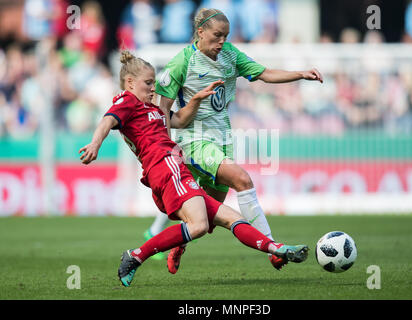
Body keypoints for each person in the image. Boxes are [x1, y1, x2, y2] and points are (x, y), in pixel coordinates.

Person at [78, 50, 309, 287]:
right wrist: (95, 143)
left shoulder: (153, 110)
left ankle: (277, 248)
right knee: (198, 225)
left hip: (173, 169)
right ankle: (136, 255)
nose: (152, 89)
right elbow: (108, 120)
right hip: (164, 166)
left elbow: (178, 121)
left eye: (154, 83)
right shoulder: (127, 101)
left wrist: (196, 100)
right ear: (129, 82)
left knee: (231, 218)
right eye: (148, 83)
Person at [145, 8, 323, 273]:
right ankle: (274, 250)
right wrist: (164, 147)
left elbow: (265, 73)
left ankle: (179, 243)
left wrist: (300, 74)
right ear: (201, 31)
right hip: (193, 142)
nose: (221, 42)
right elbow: (163, 109)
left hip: (222, 141)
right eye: (217, 36)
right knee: (243, 180)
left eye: (225, 36)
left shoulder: (231, 55)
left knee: (208, 218)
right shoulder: (182, 62)